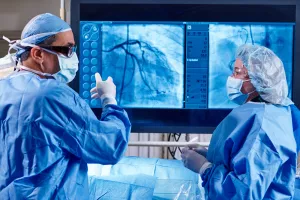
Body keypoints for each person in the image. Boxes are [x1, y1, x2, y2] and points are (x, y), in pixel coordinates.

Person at [0, 13, 131, 199]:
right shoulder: (53, 96)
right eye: (68, 50)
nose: (74, 57)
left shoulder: (3, 89)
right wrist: (110, 101)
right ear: (38, 53)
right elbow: (110, 147)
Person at [181, 44, 300, 199]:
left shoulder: (263, 124)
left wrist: (205, 168)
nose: (231, 78)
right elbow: (244, 157)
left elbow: (245, 193)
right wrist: (210, 155)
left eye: (237, 73)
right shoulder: (270, 112)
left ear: (259, 78)